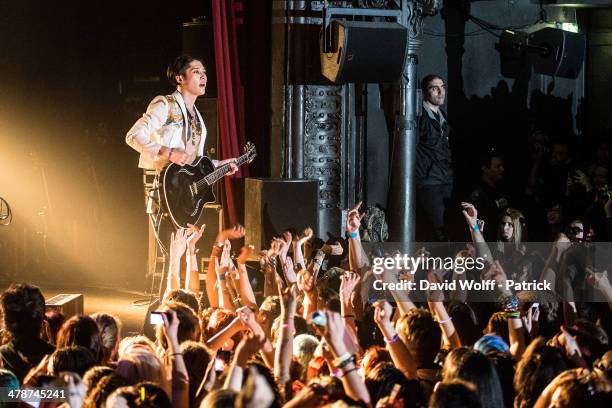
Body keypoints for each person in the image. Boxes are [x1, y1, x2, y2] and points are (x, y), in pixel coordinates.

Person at [416, 74, 453, 241]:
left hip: (445, 181)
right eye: (434, 88)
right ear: (425, 93)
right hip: (429, 183)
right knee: (438, 230)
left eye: (442, 86)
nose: (440, 91)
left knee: (447, 228)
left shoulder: (443, 117)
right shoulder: (420, 117)